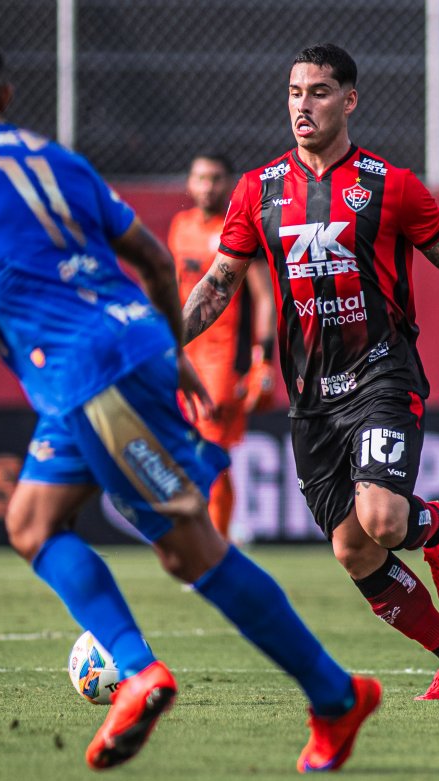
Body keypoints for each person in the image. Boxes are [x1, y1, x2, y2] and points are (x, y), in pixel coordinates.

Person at [0, 33, 380, 773]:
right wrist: (169, 352)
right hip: (123, 352)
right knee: (30, 522)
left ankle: (328, 696)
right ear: (8, 100)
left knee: (191, 552)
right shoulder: (57, 159)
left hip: (87, 370)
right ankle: (149, 670)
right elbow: (150, 258)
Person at [182, 43, 439, 701]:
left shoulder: (390, 186)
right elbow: (220, 283)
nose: (303, 105)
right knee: (354, 550)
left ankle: (433, 526)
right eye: (295, 92)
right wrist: (162, 343)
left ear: (349, 100)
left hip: (381, 376)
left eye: (320, 92)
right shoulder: (258, 190)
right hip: (312, 399)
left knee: (385, 521)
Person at [169, 154, 277, 539]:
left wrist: (263, 358)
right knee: (187, 453)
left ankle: (215, 545)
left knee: (210, 455)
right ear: (189, 183)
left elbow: (265, 298)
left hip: (223, 362)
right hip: (185, 358)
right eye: (200, 177)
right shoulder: (180, 227)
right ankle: (209, 540)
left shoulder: (240, 230)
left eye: (216, 179)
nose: (207, 186)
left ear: (229, 184)